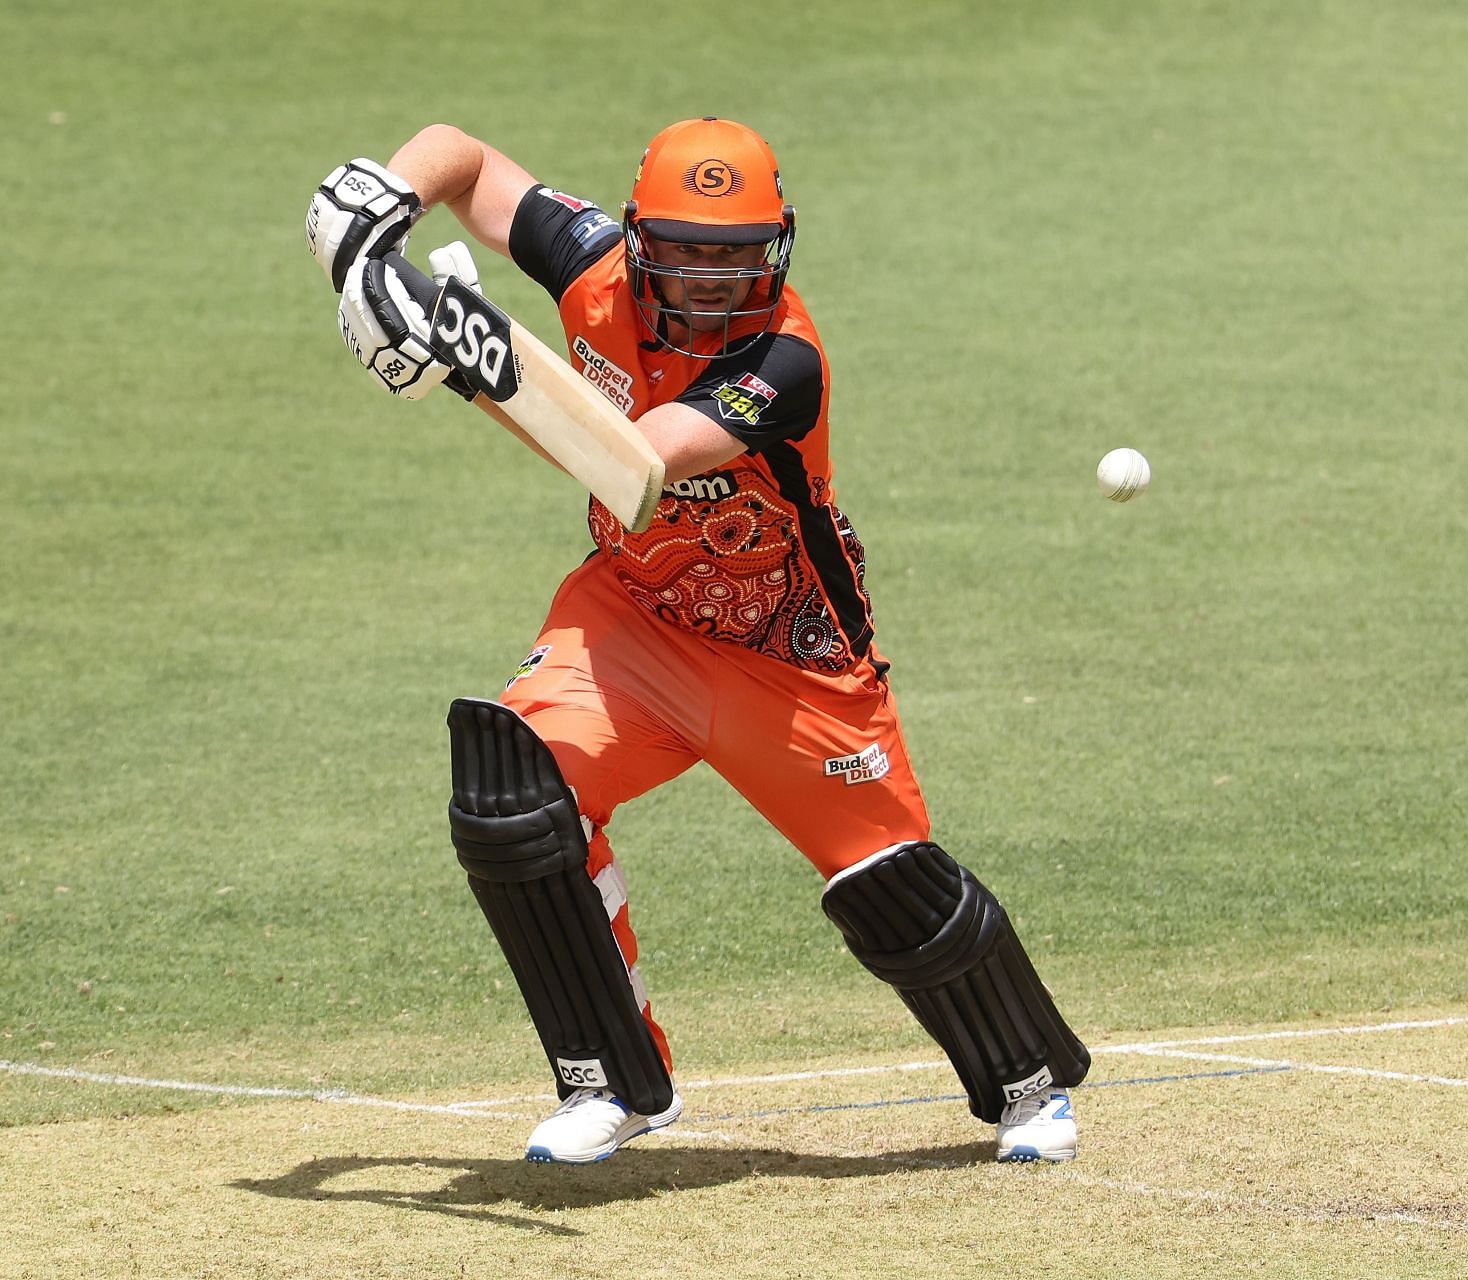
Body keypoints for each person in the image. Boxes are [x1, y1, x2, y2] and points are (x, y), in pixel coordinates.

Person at [304, 118, 1090, 1164]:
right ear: (634, 237)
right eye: (685, 249)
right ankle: (613, 1084)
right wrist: (377, 212)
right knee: (513, 790)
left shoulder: (784, 359)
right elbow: (465, 156)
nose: (712, 276)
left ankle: (1028, 1084)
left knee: (889, 884)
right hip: (634, 620)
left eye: (737, 251)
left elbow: (636, 464)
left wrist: (465, 359)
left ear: (780, 246)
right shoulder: (589, 266)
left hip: (793, 658)